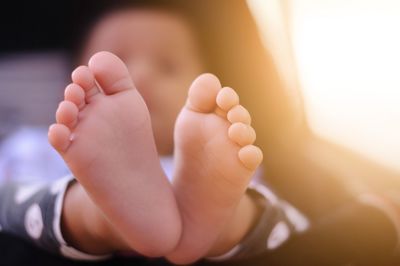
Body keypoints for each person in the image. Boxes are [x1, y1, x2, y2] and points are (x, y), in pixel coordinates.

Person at [0, 1, 399, 265]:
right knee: (15, 197)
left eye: (168, 66)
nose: (141, 76)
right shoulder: (35, 145)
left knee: (258, 202)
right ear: (65, 91)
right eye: (117, 63)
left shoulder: (216, 156)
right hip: (64, 184)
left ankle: (222, 226)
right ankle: (99, 215)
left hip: (198, 192)